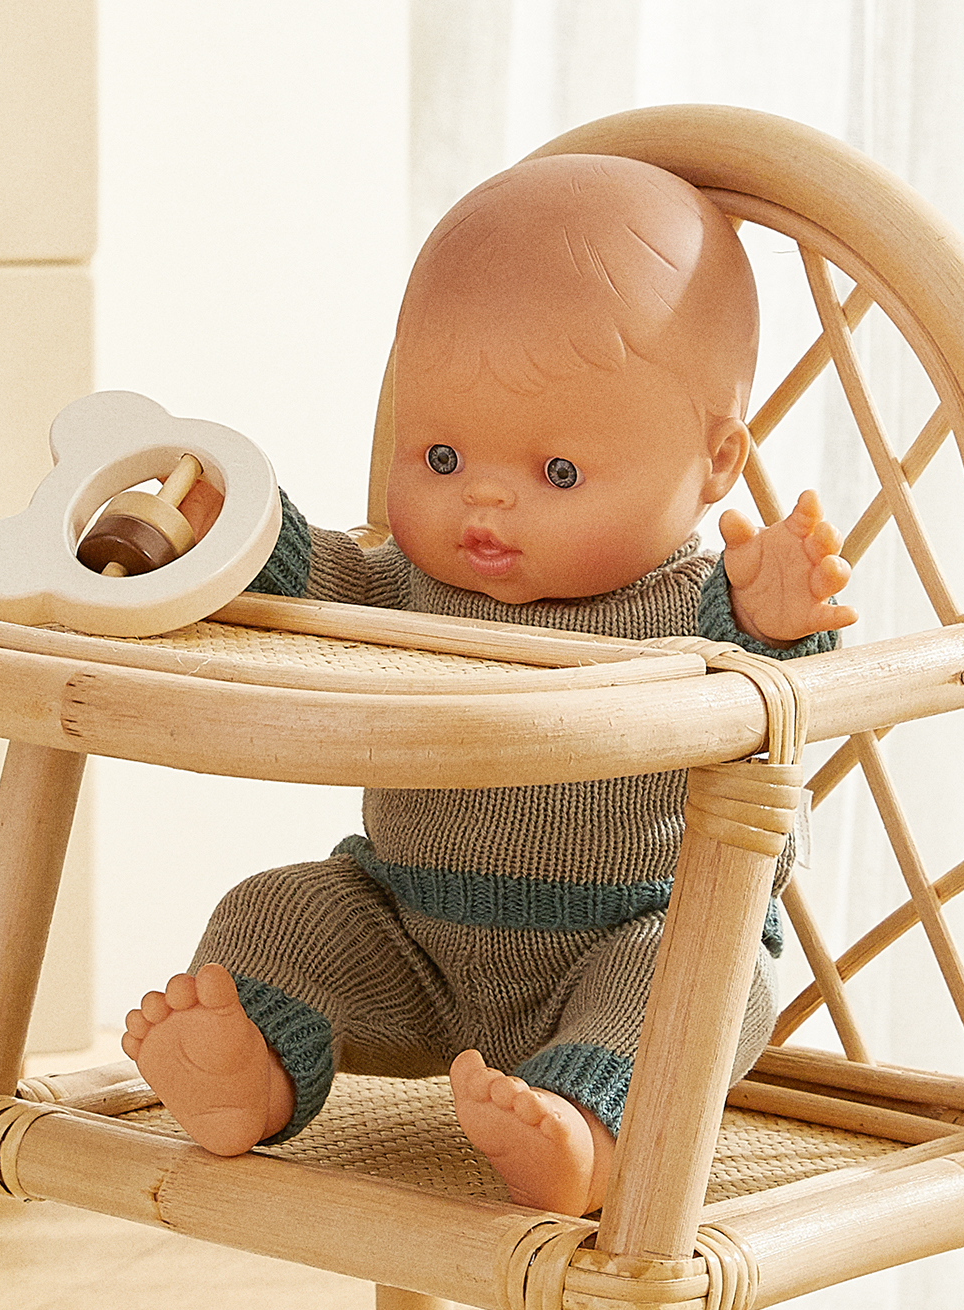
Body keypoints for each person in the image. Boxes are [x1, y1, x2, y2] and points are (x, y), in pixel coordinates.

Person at [124, 152, 854, 1216]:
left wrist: (779, 623)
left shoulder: (690, 608)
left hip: (623, 936)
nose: (485, 507)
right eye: (441, 454)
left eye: (558, 474)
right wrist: (232, 533)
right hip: (408, 928)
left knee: (696, 986)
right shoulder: (407, 588)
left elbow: (773, 692)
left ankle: (587, 1133)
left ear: (716, 462)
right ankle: (251, 1071)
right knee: (275, 912)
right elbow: (318, 580)